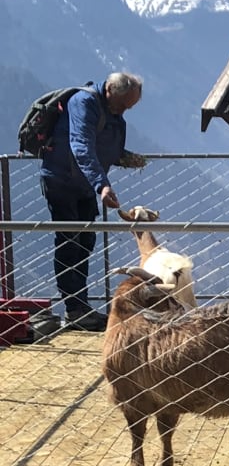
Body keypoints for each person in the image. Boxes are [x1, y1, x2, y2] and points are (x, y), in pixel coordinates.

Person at [39, 71, 145, 331]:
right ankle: (74, 309)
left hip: (84, 185)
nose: (123, 112)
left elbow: (104, 146)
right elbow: (81, 146)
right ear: (109, 90)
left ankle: (81, 306)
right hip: (62, 181)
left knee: (85, 241)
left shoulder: (112, 111)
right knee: (69, 240)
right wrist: (102, 185)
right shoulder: (83, 103)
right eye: (122, 105)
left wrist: (124, 157)